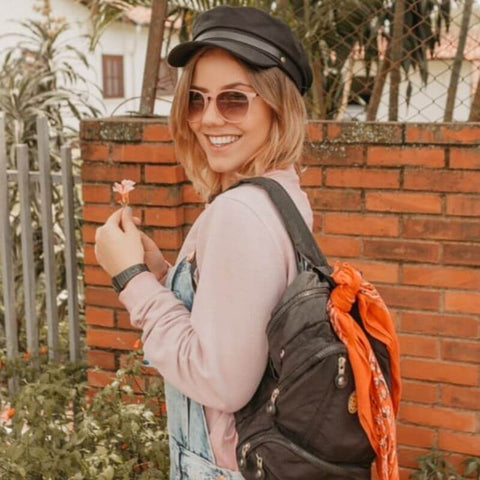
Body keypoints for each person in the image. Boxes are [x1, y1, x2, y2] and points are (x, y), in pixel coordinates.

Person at [94, 6, 314, 478]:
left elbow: (222, 381)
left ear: (278, 104)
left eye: (233, 100)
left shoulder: (240, 211)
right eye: (196, 99)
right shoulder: (284, 193)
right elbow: (239, 319)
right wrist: (163, 274)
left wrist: (130, 279)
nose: (208, 118)